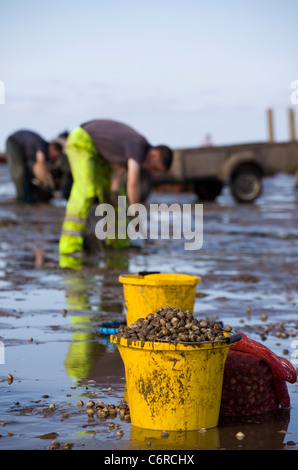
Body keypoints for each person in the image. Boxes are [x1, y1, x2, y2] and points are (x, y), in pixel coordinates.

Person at [59, 119, 172, 260]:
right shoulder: (138, 147)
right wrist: (135, 213)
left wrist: (113, 192)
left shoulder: (133, 150)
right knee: (86, 191)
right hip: (81, 142)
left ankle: (119, 244)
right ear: (155, 155)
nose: (152, 172)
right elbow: (132, 182)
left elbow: (118, 174)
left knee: (119, 199)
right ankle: (70, 247)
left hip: (100, 154)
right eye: (154, 168)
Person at [6, 129, 69, 203]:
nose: (53, 159)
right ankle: (21, 201)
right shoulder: (42, 146)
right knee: (19, 172)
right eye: (54, 157)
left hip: (24, 152)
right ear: (51, 147)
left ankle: (27, 198)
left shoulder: (43, 148)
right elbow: (40, 164)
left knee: (25, 173)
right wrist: (45, 181)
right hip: (14, 142)